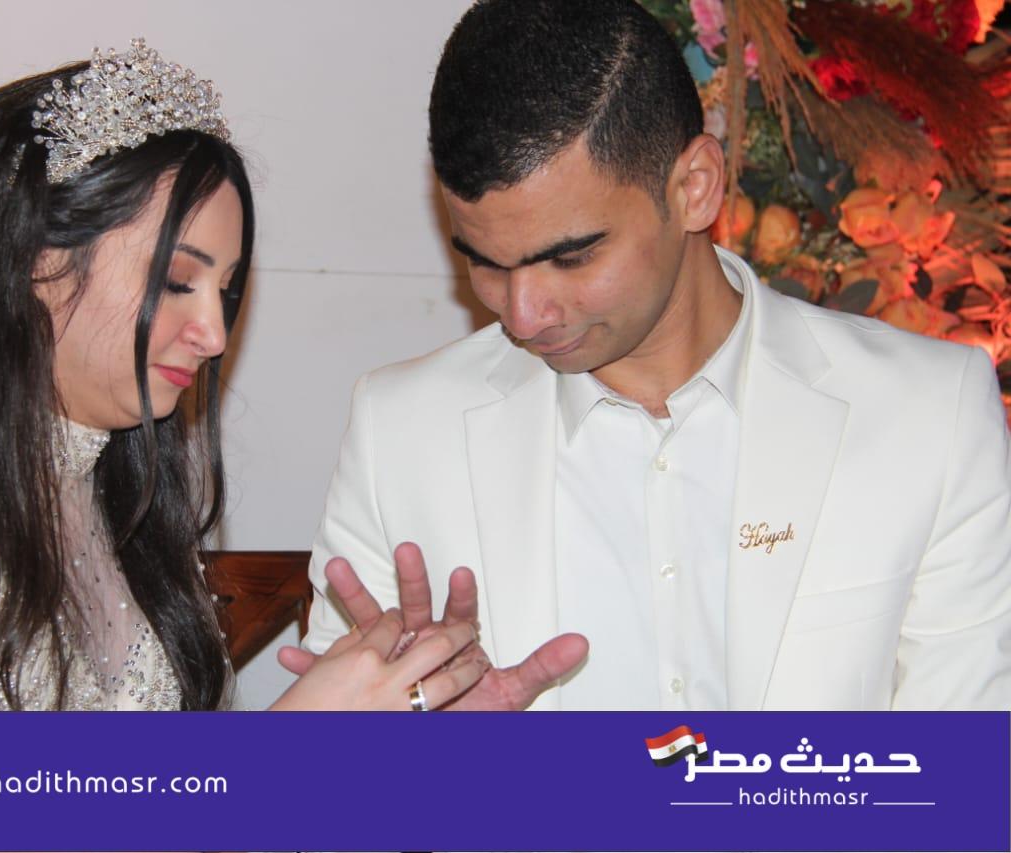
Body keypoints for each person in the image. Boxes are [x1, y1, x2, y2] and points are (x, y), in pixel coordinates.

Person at [0, 39, 488, 712]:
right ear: (37, 262)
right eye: (177, 281)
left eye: (225, 291)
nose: (214, 333)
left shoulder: (112, 496)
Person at [302, 0, 1011, 710]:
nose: (522, 313)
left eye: (571, 257)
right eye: (485, 262)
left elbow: (964, 763)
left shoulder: (930, 415)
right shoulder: (400, 432)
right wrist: (427, 761)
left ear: (695, 187)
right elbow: (325, 765)